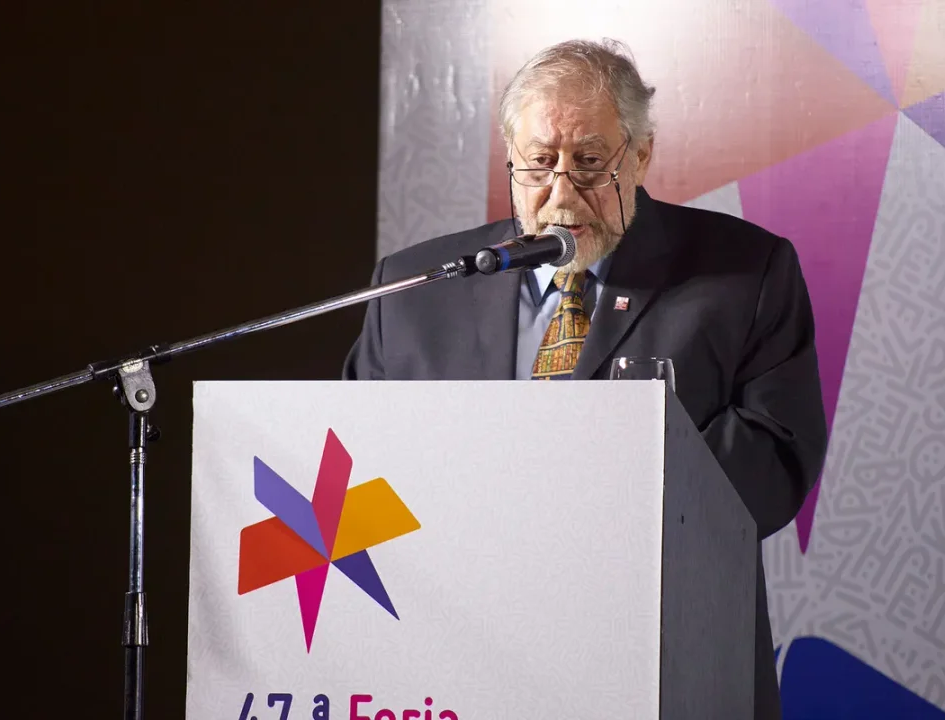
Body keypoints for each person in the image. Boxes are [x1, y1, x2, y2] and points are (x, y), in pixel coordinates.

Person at [344, 38, 827, 720]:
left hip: (666, 656)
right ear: (510, 158)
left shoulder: (743, 273)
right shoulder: (417, 287)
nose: (562, 193)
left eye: (590, 163)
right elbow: (360, 465)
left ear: (642, 155)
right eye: (539, 164)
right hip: (456, 661)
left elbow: (776, 462)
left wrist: (586, 494)